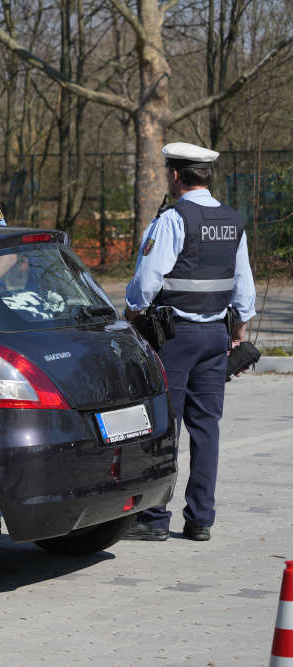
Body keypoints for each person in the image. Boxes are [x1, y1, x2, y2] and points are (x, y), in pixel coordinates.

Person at [122, 141, 256, 543]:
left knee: (165, 426)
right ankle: (201, 520)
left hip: (175, 336)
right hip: (216, 336)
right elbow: (243, 285)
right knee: (206, 429)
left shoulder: (174, 219)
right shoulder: (233, 220)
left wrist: (131, 314)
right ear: (206, 175)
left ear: (176, 175)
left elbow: (147, 282)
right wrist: (238, 331)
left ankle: (154, 518)